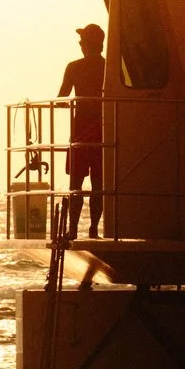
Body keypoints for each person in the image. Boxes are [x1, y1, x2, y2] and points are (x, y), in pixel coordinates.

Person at [58, 21, 106, 236]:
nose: (79, 43)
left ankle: (73, 229)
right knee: (99, 183)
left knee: (76, 183)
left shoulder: (74, 67)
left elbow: (61, 98)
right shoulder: (108, 68)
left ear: (87, 44)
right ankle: (94, 228)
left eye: (82, 40)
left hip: (81, 130)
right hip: (103, 129)